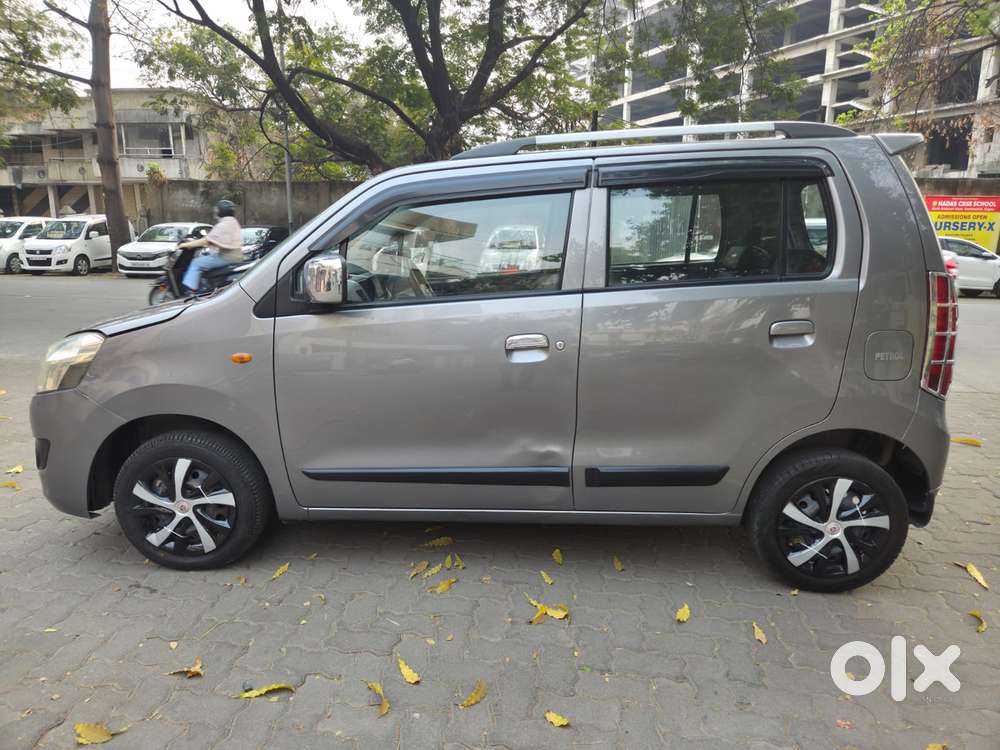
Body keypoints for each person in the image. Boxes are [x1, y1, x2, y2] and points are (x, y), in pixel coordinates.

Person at [180, 199, 243, 294]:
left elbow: (206, 241)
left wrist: (186, 244)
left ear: (221, 211)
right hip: (235, 256)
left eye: (217, 210)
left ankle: (191, 291)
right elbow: (218, 240)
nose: (215, 212)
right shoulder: (233, 222)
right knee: (204, 258)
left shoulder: (223, 225)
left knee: (196, 263)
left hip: (226, 258)